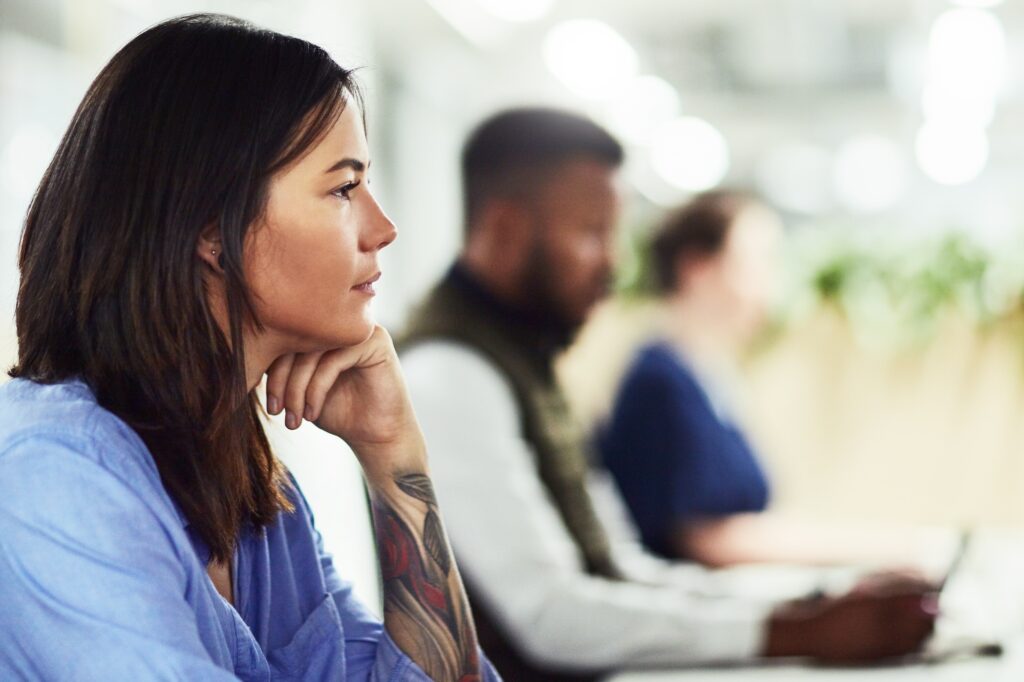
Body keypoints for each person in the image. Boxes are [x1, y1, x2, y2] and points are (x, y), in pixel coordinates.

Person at [0, 14, 498, 681]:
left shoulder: (259, 497)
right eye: (344, 188)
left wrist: (395, 458)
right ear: (212, 228)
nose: (382, 228)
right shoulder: (54, 474)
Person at [399, 108, 938, 680]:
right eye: (591, 233)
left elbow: (622, 570)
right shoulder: (449, 372)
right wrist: (797, 630)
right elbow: (550, 617)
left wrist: (812, 603)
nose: (614, 262)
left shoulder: (520, 359)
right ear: (504, 229)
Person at [602, 191, 948, 569]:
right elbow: (704, 538)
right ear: (697, 268)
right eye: (756, 263)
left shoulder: (708, 373)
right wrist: (888, 550)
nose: (770, 284)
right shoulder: (659, 381)